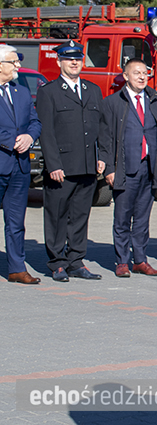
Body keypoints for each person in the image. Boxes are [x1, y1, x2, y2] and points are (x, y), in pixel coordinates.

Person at [37, 41, 104, 282]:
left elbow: (101, 128)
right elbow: (46, 132)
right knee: (56, 216)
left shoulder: (93, 89)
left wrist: (102, 158)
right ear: (59, 62)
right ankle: (57, 263)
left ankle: (76, 260)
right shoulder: (49, 92)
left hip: (87, 166)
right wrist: (53, 164)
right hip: (62, 168)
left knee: (79, 217)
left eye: (77, 58)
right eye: (68, 59)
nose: (74, 62)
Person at [99, 59, 157, 278]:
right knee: (122, 217)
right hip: (124, 168)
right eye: (136, 73)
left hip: (149, 168)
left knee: (142, 218)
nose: (142, 77)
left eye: (145, 73)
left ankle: (140, 259)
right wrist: (109, 168)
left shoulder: (155, 100)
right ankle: (122, 261)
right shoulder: (113, 102)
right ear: (126, 76)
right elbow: (105, 138)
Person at [0, 45, 42, 284]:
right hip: (2, 159)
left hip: (19, 167)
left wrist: (29, 137)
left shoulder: (22, 91)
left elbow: (35, 121)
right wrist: (10, 141)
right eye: (13, 62)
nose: (18, 66)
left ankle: (17, 268)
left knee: (16, 221)